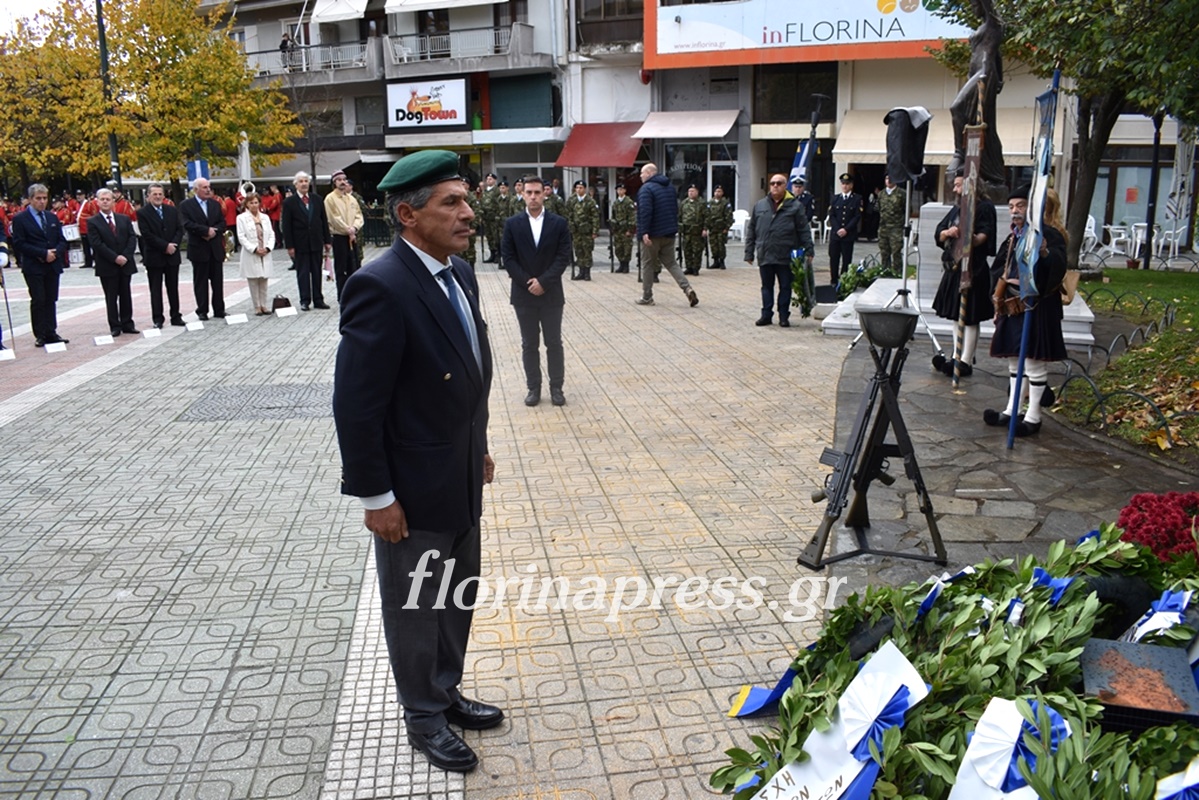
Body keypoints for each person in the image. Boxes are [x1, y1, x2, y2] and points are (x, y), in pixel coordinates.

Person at [332, 150, 498, 775]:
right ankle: (423, 714)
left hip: (459, 471)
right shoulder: (380, 285)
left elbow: (464, 370)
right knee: (416, 604)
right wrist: (376, 497)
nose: (467, 213)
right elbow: (356, 405)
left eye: (465, 199)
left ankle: (445, 690)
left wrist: (478, 444)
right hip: (411, 489)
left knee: (456, 593)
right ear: (408, 214)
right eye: (451, 203)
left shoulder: (460, 272)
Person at [984, 184, 1068, 437]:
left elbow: (1058, 266)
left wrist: (1044, 253)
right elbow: (999, 267)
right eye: (1011, 206)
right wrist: (1000, 292)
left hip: (1037, 305)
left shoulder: (1049, 235)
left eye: (1020, 205)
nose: (1015, 211)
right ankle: (1012, 410)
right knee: (1014, 360)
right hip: (1013, 306)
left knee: (1032, 361)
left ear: (1032, 208)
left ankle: (1033, 416)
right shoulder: (1013, 236)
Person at [501, 175, 572, 407]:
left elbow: (563, 257)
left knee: (554, 342)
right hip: (524, 295)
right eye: (529, 192)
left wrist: (544, 282)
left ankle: (556, 388)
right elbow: (508, 258)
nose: (533, 197)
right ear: (522, 194)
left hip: (551, 294)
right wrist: (528, 282)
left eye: (537, 193)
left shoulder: (559, 223)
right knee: (529, 344)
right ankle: (533, 388)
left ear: (545, 194)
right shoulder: (512, 224)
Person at [932, 171, 996, 377]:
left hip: (973, 268)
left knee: (970, 316)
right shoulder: (958, 207)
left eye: (958, 185)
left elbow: (985, 235)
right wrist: (947, 232)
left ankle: (966, 360)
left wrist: (970, 238)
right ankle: (956, 355)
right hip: (955, 267)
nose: (955, 189)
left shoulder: (985, 207)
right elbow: (940, 231)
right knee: (956, 315)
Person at [744, 173, 815, 328]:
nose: (775, 186)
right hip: (765, 253)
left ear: (785, 186)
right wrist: (749, 252)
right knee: (766, 287)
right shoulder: (760, 205)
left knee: (785, 287)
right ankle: (766, 315)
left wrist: (809, 250)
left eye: (779, 183)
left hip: (786, 254)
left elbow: (803, 229)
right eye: (772, 183)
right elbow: (752, 230)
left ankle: (783, 315)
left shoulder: (795, 206)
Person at [10, 183, 70, 347]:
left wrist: (56, 252)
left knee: (51, 299)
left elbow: (61, 240)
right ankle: (40, 333)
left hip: (52, 265)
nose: (42, 201)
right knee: (38, 299)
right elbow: (19, 243)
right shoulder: (20, 219)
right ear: (30, 199)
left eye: (44, 198)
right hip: (34, 265)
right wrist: (43, 253)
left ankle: (51, 331)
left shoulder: (52, 217)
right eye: (38, 198)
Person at [635, 163, 697, 308]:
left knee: (648, 264)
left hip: (652, 234)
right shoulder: (669, 187)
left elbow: (645, 211)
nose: (640, 176)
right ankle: (687, 288)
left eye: (642, 173)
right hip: (668, 233)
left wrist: (644, 232)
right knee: (671, 263)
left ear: (649, 173)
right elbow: (675, 209)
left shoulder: (646, 189)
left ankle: (647, 296)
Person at [87, 188, 140, 337]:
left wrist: (126, 256)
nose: (105, 202)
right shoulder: (93, 222)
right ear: (97, 202)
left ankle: (127, 323)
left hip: (125, 263)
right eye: (102, 199)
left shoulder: (124, 219)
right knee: (111, 297)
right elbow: (97, 244)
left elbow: (131, 238)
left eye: (108, 199)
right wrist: (115, 258)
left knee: (125, 294)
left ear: (113, 202)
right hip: (107, 265)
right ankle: (115, 325)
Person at [280, 171, 332, 311]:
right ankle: (305, 300)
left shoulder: (317, 199)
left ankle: (318, 299)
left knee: (317, 271)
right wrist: (289, 246)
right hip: (300, 243)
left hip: (316, 241)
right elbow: (286, 226)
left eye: (306, 181)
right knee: (303, 273)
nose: (304, 184)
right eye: (301, 181)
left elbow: (323, 221)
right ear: (296, 184)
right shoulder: (289, 202)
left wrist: (327, 240)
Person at [179, 177, 228, 320]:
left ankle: (219, 309)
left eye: (209, 187)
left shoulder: (215, 204)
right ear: (196, 189)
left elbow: (222, 222)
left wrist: (214, 231)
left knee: (217, 281)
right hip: (199, 248)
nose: (208, 190)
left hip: (215, 248)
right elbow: (186, 223)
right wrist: (205, 231)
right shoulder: (186, 205)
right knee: (201, 282)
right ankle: (202, 310)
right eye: (204, 187)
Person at [137, 182, 185, 328]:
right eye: (154, 194)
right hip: (155, 256)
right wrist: (165, 246)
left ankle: (176, 316)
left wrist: (173, 244)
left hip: (172, 256)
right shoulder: (142, 213)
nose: (158, 197)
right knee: (155, 289)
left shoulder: (172, 210)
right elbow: (146, 234)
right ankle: (158, 319)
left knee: (173, 288)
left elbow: (179, 229)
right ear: (148, 196)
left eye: (160, 194)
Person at [325, 169, 364, 301]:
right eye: (339, 180)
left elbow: (359, 216)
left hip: (353, 236)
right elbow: (334, 217)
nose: (342, 182)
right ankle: (342, 295)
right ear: (334, 182)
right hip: (340, 236)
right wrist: (347, 229)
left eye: (344, 179)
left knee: (354, 264)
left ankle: (355, 294)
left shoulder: (351, 199)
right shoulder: (330, 199)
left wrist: (354, 227)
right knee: (341, 268)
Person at [237, 192, 276, 316]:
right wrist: (254, 249)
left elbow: (271, 234)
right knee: (253, 280)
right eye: (251, 203)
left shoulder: (265, 217)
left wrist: (268, 248)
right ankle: (257, 306)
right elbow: (241, 237)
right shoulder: (241, 218)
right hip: (251, 253)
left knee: (264, 279)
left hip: (265, 251)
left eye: (256, 202)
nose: (254, 205)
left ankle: (264, 305)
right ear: (247, 204)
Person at [827, 173, 862, 285]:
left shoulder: (856, 199)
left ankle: (844, 281)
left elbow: (856, 216)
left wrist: (846, 229)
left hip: (848, 234)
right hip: (836, 234)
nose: (845, 186)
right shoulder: (835, 198)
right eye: (843, 184)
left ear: (851, 185)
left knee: (846, 259)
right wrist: (837, 229)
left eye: (847, 184)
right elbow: (832, 215)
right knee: (834, 258)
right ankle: (833, 280)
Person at [566, 180, 599, 280]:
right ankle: (581, 272)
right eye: (577, 188)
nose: (578, 190)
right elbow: (568, 214)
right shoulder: (572, 201)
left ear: (585, 189)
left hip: (587, 231)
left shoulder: (590, 201)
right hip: (576, 231)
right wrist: (570, 225)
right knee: (578, 251)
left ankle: (587, 273)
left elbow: (595, 217)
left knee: (587, 251)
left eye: (580, 188)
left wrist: (595, 231)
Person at [876, 174, 907, 274]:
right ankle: (885, 271)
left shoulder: (902, 193)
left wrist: (902, 222)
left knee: (896, 251)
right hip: (883, 227)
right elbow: (878, 208)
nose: (888, 180)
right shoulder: (881, 194)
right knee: (884, 251)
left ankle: (898, 272)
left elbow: (907, 210)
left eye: (891, 178)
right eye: (886, 178)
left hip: (896, 227)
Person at [678, 184, 707, 275]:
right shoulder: (684, 203)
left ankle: (696, 268)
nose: (691, 193)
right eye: (689, 191)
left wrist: (705, 229)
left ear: (697, 192)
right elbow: (680, 216)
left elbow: (706, 217)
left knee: (697, 250)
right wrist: (679, 227)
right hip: (686, 231)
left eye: (693, 191)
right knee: (687, 250)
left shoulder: (701, 203)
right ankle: (689, 267)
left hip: (697, 231)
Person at [609, 183, 636, 273]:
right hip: (618, 230)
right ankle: (621, 264)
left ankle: (626, 265)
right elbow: (613, 215)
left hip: (625, 229)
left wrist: (630, 230)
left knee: (627, 248)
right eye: (618, 190)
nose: (620, 191)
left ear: (625, 191)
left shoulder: (628, 202)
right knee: (618, 248)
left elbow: (632, 217)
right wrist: (613, 226)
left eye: (621, 189)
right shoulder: (616, 203)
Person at [705, 185, 733, 269]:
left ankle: (722, 261)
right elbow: (707, 215)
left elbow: (729, 216)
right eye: (716, 191)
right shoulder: (710, 203)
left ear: (722, 193)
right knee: (713, 245)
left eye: (719, 191)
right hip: (712, 228)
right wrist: (706, 227)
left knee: (721, 245)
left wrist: (727, 227)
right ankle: (715, 261)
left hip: (721, 228)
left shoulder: (725, 203)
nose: (717, 193)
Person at [479, 172, 500, 263]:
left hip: (494, 218)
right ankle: (492, 253)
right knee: (489, 236)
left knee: (496, 236)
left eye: (490, 179)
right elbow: (481, 203)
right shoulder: (485, 191)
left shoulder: (497, 191)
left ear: (494, 180)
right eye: (487, 179)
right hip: (486, 217)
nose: (488, 181)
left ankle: (498, 255)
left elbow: (499, 204)